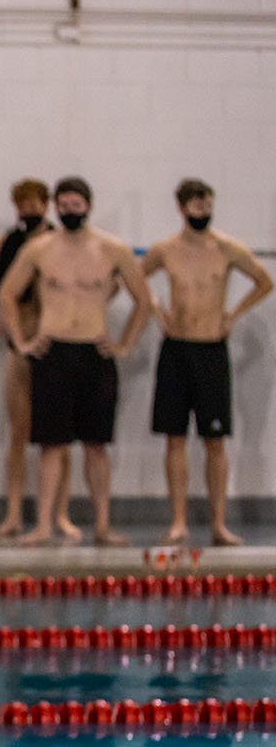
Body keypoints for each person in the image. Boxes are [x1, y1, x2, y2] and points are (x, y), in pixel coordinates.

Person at [0, 176, 151, 547]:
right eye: (63, 206)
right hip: (53, 352)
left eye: (76, 205)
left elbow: (144, 301)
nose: (69, 211)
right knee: (51, 446)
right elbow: (6, 294)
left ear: (88, 205)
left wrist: (125, 343)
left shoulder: (113, 249)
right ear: (56, 207)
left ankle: (101, 525)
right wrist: (21, 341)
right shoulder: (40, 249)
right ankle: (43, 526)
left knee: (96, 446)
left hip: (94, 352)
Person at [143, 178, 271, 546]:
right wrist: (154, 307)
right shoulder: (165, 250)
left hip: (212, 349)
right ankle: (179, 521)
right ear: (182, 209)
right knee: (175, 438)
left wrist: (233, 314)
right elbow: (135, 277)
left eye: (208, 206)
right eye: (197, 207)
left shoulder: (228, 249)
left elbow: (264, 281)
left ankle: (218, 523)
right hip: (176, 348)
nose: (204, 212)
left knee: (215, 440)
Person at [0, 180, 80, 541]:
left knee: (59, 438)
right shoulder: (5, 244)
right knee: (18, 434)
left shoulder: (60, 245)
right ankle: (14, 514)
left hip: (55, 345)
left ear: (45, 205)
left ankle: (61, 514)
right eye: (22, 204)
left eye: (34, 203)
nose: (28, 209)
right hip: (19, 347)